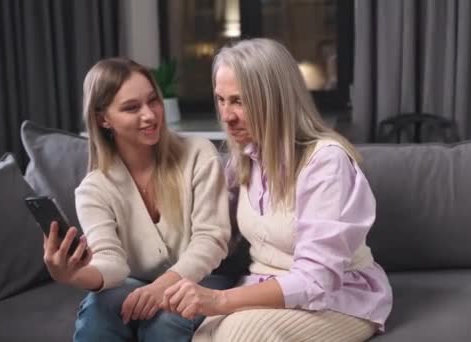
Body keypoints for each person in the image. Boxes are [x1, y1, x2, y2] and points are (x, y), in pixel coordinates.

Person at [160, 38, 393, 341]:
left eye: (239, 101)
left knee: (239, 335)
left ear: (276, 100)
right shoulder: (243, 160)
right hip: (261, 288)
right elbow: (212, 235)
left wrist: (219, 301)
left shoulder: (325, 162)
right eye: (221, 100)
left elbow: (316, 280)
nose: (227, 116)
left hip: (337, 299)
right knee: (204, 335)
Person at [42, 57, 236, 342]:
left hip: (203, 278)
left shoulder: (198, 154)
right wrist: (71, 276)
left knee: (168, 318)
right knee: (98, 307)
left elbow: (211, 240)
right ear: (102, 118)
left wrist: (162, 288)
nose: (150, 115)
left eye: (153, 101)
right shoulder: (93, 189)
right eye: (132, 108)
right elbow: (112, 263)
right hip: (133, 284)